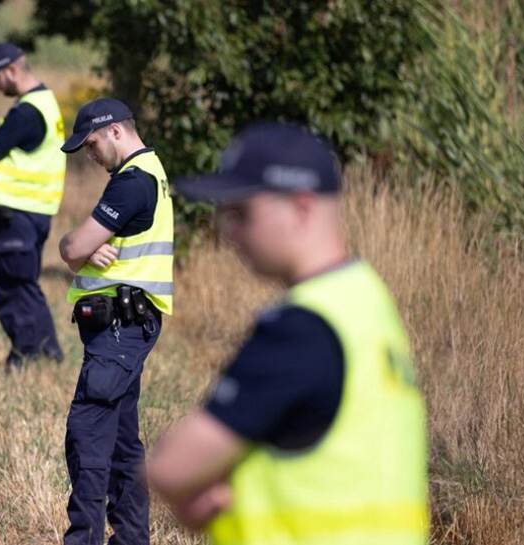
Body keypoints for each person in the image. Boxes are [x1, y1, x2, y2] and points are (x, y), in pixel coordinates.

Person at [148, 122, 428, 545]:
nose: (228, 233)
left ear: (300, 207)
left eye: (242, 214)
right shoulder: (366, 299)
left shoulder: (301, 328)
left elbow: (172, 467)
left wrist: (188, 476)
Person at [57, 97, 174, 545]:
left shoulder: (131, 183)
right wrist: (82, 247)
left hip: (121, 329)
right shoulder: (152, 173)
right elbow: (81, 250)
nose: (90, 155)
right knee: (123, 445)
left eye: (91, 145)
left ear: (116, 132)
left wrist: (77, 245)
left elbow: (70, 249)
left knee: (87, 434)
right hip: (127, 327)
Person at [0, 43, 66, 370]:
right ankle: (47, 352)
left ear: (12, 70)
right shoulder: (47, 102)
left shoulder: (26, 112)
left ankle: (26, 355)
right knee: (26, 283)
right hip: (37, 209)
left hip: (15, 211)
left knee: (12, 286)